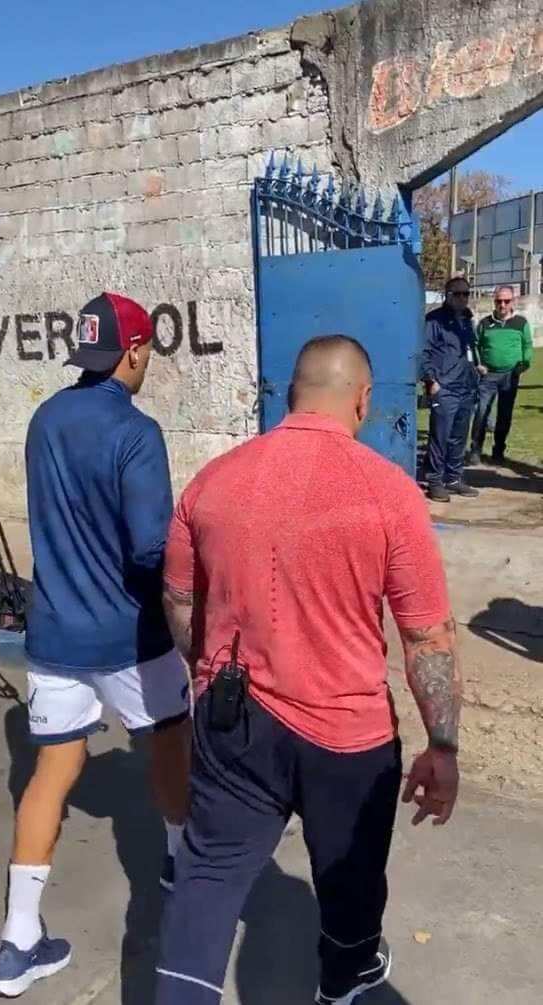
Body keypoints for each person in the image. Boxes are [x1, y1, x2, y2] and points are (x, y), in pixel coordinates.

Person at [155, 335, 462, 1005]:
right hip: (346, 739)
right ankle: (341, 983)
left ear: (290, 393)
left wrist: (207, 671)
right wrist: (442, 746)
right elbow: (427, 640)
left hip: (234, 724)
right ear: (360, 399)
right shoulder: (387, 492)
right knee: (348, 878)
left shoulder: (212, 481)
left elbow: (178, 598)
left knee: (207, 877)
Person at [0, 292, 191, 998]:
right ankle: (179, 868)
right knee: (170, 744)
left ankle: (16, 942)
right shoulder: (137, 432)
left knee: (48, 775)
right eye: (145, 355)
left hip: (54, 635)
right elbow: (150, 547)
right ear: (134, 351)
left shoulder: (43, 420)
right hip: (132, 636)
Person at [421, 276, 480, 502]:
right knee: (440, 436)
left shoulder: (467, 319)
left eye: (466, 293)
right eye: (458, 294)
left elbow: (470, 348)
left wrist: (477, 367)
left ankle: (454, 478)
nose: (463, 298)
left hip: (466, 385)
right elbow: (424, 352)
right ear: (448, 295)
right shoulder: (434, 321)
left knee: (458, 436)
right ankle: (435, 481)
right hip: (444, 387)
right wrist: (431, 379)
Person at [469, 285, 533, 465]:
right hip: (488, 376)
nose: (502, 305)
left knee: (505, 414)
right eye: (499, 301)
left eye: (506, 301)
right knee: (482, 411)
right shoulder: (484, 323)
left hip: (510, 376)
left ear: (513, 301)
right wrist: (478, 364)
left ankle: (499, 451)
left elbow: (527, 345)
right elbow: (475, 346)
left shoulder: (521, 323)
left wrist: (523, 365)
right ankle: (475, 450)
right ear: (494, 301)